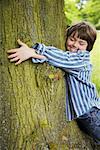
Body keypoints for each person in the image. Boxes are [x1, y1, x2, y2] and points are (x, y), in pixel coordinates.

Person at [7, 21, 100, 145]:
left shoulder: (81, 59)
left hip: (91, 113)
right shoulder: (71, 60)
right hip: (88, 114)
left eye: (81, 43)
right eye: (72, 39)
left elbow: (63, 58)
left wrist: (35, 50)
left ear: (88, 48)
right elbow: (53, 60)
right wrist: (32, 55)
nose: (75, 44)